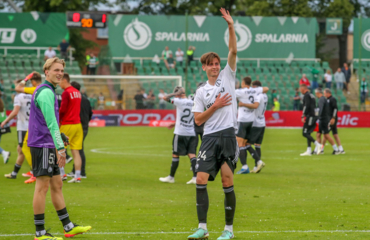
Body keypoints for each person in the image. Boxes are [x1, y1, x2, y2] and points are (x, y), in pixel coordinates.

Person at [28, 57, 91, 239]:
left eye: (61, 71)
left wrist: (61, 138)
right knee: (42, 187)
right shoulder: (46, 92)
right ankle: (40, 233)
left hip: (46, 142)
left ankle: (68, 226)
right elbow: (51, 123)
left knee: (57, 184)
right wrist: (61, 148)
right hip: (42, 145)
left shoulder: (49, 91)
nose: (59, 73)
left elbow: (50, 122)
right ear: (46, 72)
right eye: (56, 70)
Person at [188, 8, 237, 240]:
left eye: (217, 63)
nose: (215, 66)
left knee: (227, 181)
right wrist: (215, 106)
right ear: (204, 67)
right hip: (208, 138)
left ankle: (228, 231)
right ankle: (203, 228)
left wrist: (230, 26)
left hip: (227, 135)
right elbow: (198, 119)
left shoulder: (229, 76)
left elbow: (233, 50)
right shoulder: (200, 91)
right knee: (200, 178)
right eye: (211, 64)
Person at [159, 87, 197, 185]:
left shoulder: (178, 101)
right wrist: (175, 123)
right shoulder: (192, 102)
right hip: (192, 132)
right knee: (192, 154)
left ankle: (171, 177)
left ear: (178, 94)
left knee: (175, 154)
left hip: (181, 132)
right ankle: (195, 177)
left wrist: (172, 93)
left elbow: (164, 98)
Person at [14, 71, 43, 184]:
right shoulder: (44, 88)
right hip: (39, 122)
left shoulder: (35, 89)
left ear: (34, 82)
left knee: (26, 146)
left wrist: (27, 77)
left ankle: (35, 171)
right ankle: (37, 170)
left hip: (35, 123)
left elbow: (18, 88)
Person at [235, 77, 268, 174]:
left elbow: (228, 93)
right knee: (247, 144)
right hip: (252, 121)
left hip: (244, 120)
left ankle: (245, 167)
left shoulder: (241, 91)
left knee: (240, 144)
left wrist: (242, 104)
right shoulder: (257, 92)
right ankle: (258, 162)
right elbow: (266, 89)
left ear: (243, 83)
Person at [59, 73, 84, 183]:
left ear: (64, 80)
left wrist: (58, 120)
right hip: (78, 125)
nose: (58, 83)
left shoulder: (66, 93)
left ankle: (62, 174)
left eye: (59, 81)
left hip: (67, 124)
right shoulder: (77, 92)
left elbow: (63, 109)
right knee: (76, 151)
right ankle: (77, 176)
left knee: (60, 150)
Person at [1, 87, 31, 179]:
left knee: (24, 150)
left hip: (23, 127)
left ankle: (34, 171)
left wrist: (5, 121)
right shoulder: (31, 95)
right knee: (21, 149)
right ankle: (14, 173)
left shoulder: (19, 97)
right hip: (32, 126)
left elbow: (15, 112)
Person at [66, 81, 92, 179]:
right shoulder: (86, 99)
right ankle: (77, 171)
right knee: (78, 149)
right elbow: (90, 113)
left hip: (76, 125)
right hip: (84, 125)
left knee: (77, 149)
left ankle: (81, 172)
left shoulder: (74, 99)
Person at [244, 80, 268, 173]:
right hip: (262, 122)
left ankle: (259, 161)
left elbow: (255, 105)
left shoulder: (258, 95)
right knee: (257, 145)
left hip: (255, 123)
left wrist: (243, 104)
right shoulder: (265, 95)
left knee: (246, 144)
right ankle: (255, 167)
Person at [313, 88, 340, 155]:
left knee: (326, 135)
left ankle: (336, 149)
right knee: (318, 134)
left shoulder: (321, 100)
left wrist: (317, 116)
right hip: (324, 119)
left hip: (323, 119)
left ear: (317, 93)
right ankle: (317, 150)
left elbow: (320, 110)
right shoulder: (324, 99)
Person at [321, 89, 345, 154]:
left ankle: (321, 149)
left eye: (324, 93)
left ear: (328, 93)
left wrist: (333, 118)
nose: (324, 94)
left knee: (326, 134)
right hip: (331, 119)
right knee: (335, 134)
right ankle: (341, 149)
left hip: (331, 119)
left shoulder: (332, 99)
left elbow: (335, 109)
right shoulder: (328, 99)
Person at [299, 84, 321, 156]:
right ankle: (309, 151)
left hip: (311, 116)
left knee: (304, 133)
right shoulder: (311, 95)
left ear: (303, 89)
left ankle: (318, 144)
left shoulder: (306, 95)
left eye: (300, 89)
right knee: (308, 132)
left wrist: (303, 115)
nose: (300, 90)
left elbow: (306, 106)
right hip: (313, 116)